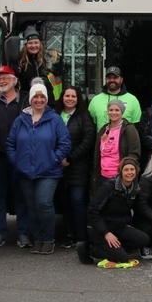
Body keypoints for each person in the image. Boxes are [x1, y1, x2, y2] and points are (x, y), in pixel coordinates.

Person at [6, 81, 72, 255]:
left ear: (46, 99)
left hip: (48, 171)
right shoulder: (20, 120)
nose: (39, 100)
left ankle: (49, 239)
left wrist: (55, 158)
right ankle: (38, 239)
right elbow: (10, 144)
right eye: (36, 96)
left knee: (44, 203)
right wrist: (16, 161)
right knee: (32, 206)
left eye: (42, 96)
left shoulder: (55, 119)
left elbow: (65, 142)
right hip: (24, 171)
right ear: (30, 99)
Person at [0, 65, 28, 248]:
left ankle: (23, 234)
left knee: (22, 196)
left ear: (15, 81)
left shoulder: (26, 100)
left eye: (5, 78)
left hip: (21, 157)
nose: (2, 81)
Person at [80, 157, 147, 266]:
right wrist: (106, 232)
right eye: (126, 170)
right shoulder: (109, 187)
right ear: (121, 171)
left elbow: (139, 209)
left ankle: (114, 249)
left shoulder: (135, 189)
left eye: (132, 169)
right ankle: (89, 249)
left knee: (143, 239)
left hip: (118, 226)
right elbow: (92, 211)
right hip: (100, 228)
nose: (129, 172)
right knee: (122, 258)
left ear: (136, 171)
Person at [55, 86, 95, 248]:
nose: (70, 99)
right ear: (62, 97)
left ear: (78, 99)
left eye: (73, 96)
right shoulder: (54, 115)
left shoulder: (84, 117)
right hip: (56, 166)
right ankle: (70, 234)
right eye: (67, 95)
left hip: (77, 166)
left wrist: (70, 158)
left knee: (77, 200)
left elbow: (88, 140)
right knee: (64, 202)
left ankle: (81, 236)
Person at [93, 100, 142, 187]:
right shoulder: (103, 130)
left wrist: (126, 172)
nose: (113, 113)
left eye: (117, 110)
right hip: (103, 175)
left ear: (122, 112)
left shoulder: (129, 129)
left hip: (120, 176)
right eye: (111, 110)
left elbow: (134, 153)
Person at [15, 25, 62, 104]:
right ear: (26, 45)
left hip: (51, 101)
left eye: (36, 42)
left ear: (40, 43)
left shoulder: (52, 57)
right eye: (30, 43)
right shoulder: (19, 61)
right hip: (27, 102)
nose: (33, 46)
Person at [88, 66, 142, 130]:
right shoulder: (95, 100)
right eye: (109, 78)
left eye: (115, 77)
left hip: (124, 139)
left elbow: (137, 126)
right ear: (105, 79)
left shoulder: (132, 100)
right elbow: (90, 127)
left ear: (121, 80)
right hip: (102, 139)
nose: (112, 80)